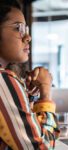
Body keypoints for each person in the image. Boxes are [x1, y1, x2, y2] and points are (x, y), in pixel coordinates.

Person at [0, 0, 59, 149]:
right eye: (18, 28)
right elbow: (43, 147)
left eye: (26, 28)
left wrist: (30, 96)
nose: (28, 37)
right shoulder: (3, 79)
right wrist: (46, 92)